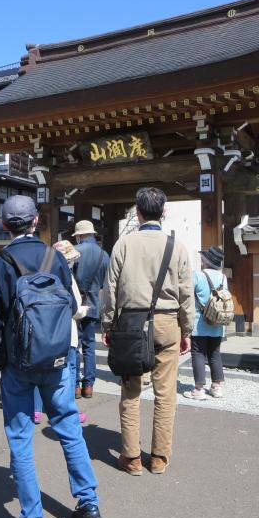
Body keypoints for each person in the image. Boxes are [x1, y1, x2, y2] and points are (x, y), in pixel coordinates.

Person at [0, 195, 103, 518]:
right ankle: (88, 504)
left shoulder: (0, 262)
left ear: (5, 225)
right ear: (36, 221)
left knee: (20, 436)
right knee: (68, 425)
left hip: (17, 362)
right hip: (58, 359)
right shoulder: (55, 257)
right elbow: (68, 303)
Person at [102, 187, 194, 476]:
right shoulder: (176, 246)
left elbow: (110, 290)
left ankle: (131, 458)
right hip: (168, 322)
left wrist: (108, 324)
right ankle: (159, 457)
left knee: (130, 391)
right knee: (165, 394)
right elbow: (186, 292)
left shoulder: (123, 244)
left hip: (130, 322)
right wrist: (187, 329)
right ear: (163, 212)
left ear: (137, 212)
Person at [33, 241, 89, 425]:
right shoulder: (67, 277)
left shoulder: (40, 275)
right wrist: (85, 310)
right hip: (66, 333)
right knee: (68, 371)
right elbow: (73, 309)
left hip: (43, 332)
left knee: (40, 370)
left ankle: (36, 410)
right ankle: (66, 412)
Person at [71, 220, 109, 400]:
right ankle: (89, 386)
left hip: (75, 305)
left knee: (73, 345)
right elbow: (106, 283)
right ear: (92, 234)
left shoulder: (74, 251)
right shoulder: (104, 255)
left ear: (79, 236)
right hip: (93, 303)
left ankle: (75, 386)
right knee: (89, 346)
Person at [185, 246, 227, 400]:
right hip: (217, 324)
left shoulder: (197, 275)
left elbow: (188, 298)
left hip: (199, 324)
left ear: (206, 262)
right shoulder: (223, 278)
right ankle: (216, 387)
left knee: (198, 354)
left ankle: (199, 389)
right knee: (215, 354)